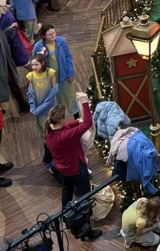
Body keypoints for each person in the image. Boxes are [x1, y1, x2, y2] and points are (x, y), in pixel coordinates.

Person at [44, 93, 101, 241]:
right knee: (84, 197)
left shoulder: (50, 130)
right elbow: (88, 124)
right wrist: (85, 103)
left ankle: (68, 218)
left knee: (67, 190)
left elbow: (68, 126)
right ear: (61, 120)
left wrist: (77, 121)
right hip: (77, 169)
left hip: (64, 169)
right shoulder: (65, 136)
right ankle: (85, 229)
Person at [33, 24, 77, 115]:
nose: (53, 35)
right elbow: (35, 64)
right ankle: (59, 121)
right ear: (44, 36)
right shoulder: (38, 47)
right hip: (50, 80)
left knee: (70, 97)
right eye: (50, 34)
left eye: (54, 32)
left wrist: (71, 72)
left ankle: (76, 118)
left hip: (63, 75)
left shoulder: (61, 41)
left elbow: (68, 56)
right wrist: (42, 57)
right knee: (54, 101)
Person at [26, 50, 57, 134]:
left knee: (54, 124)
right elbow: (31, 92)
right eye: (32, 65)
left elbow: (53, 91)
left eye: (36, 64)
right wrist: (33, 106)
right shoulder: (30, 76)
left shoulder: (50, 72)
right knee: (45, 128)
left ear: (42, 63)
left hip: (50, 105)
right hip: (39, 105)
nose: (34, 67)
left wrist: (40, 108)